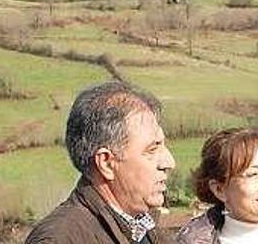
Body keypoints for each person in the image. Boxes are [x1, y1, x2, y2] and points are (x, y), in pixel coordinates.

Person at [26, 81, 177, 244]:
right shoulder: (59, 239)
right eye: (152, 149)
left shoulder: (147, 231)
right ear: (106, 163)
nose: (169, 162)